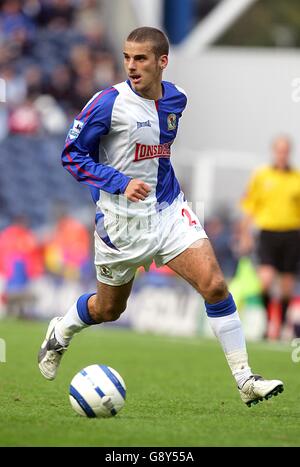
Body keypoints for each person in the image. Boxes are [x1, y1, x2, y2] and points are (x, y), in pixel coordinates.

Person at [38, 26, 283, 407]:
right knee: (108, 310)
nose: (131, 66)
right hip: (120, 224)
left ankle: (245, 379)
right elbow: (71, 155)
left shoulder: (177, 99)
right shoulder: (107, 103)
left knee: (215, 284)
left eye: (140, 59)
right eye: (126, 58)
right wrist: (119, 182)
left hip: (169, 210)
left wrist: (157, 186)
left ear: (162, 61)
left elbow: (158, 152)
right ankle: (61, 330)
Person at [240, 135, 300, 339]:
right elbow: (250, 206)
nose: (282, 154)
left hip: (292, 234)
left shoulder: (296, 177)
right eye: (279, 150)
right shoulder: (262, 175)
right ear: (274, 151)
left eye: (286, 150)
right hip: (267, 233)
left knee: (286, 287)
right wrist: (245, 233)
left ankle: (281, 325)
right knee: (265, 280)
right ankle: (267, 321)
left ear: (289, 152)